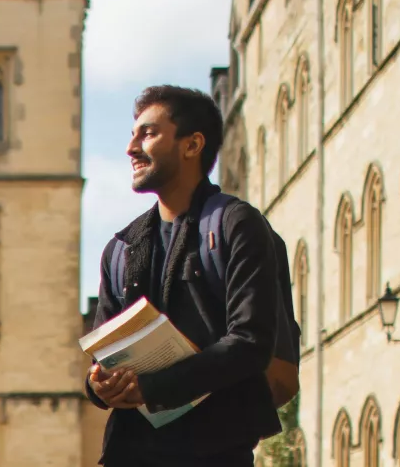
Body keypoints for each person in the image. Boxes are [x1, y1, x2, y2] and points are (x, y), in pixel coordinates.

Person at [85, 85, 283, 465]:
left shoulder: (236, 225)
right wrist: (99, 385)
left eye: (148, 133)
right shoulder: (120, 248)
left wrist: (150, 388)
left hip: (213, 452)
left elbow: (250, 343)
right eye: (132, 133)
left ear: (192, 145)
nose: (131, 148)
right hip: (129, 453)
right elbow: (102, 355)